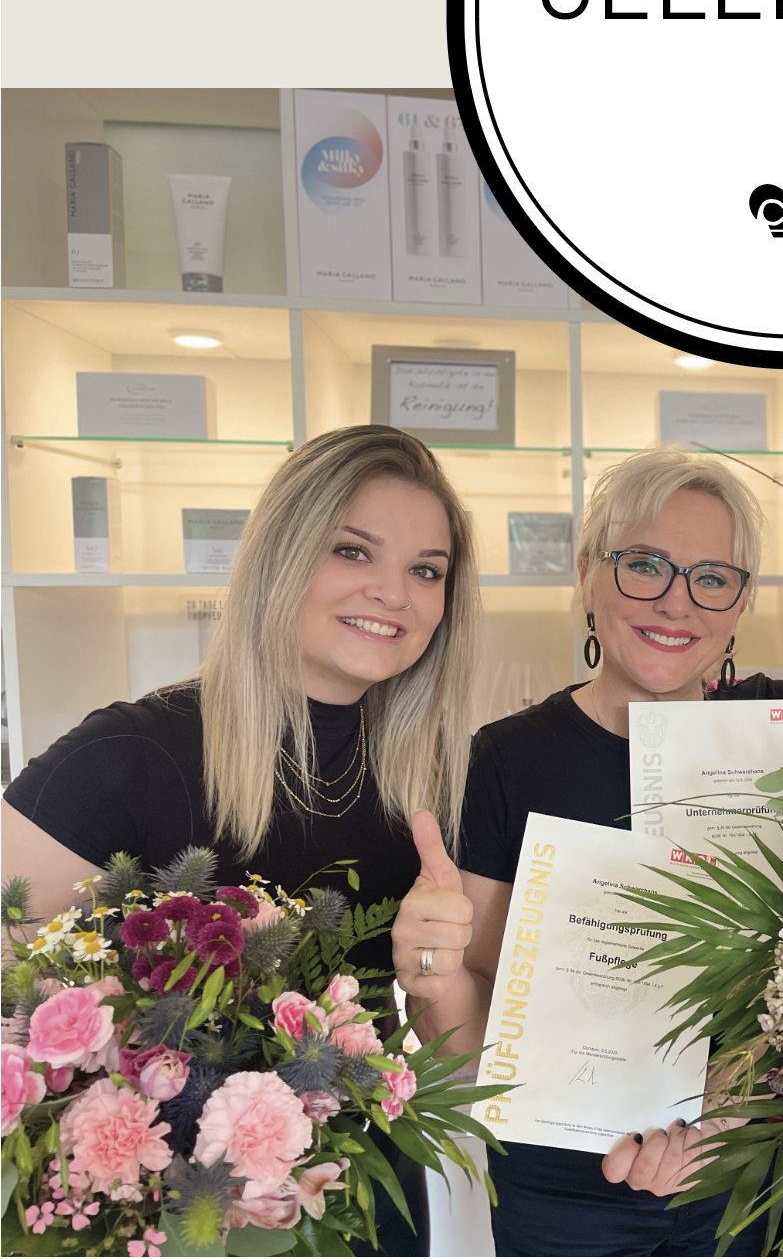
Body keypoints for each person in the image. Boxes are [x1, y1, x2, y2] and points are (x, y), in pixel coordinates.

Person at [1, 423, 482, 1255]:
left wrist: (436, 980)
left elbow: (461, 1070)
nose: (395, 594)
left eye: (426, 570)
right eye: (353, 551)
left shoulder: (427, 784)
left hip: (361, 1204)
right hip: (175, 1220)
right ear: (281, 555)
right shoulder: (131, 752)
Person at [394, 449, 781, 1257]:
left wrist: (733, 1106)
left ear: (740, 605)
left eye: (712, 577)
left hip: (746, 1181)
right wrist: (431, 977)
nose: (676, 601)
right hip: (563, 1198)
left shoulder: (775, 747)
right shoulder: (504, 761)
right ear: (587, 576)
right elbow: (469, 1033)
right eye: (644, 564)